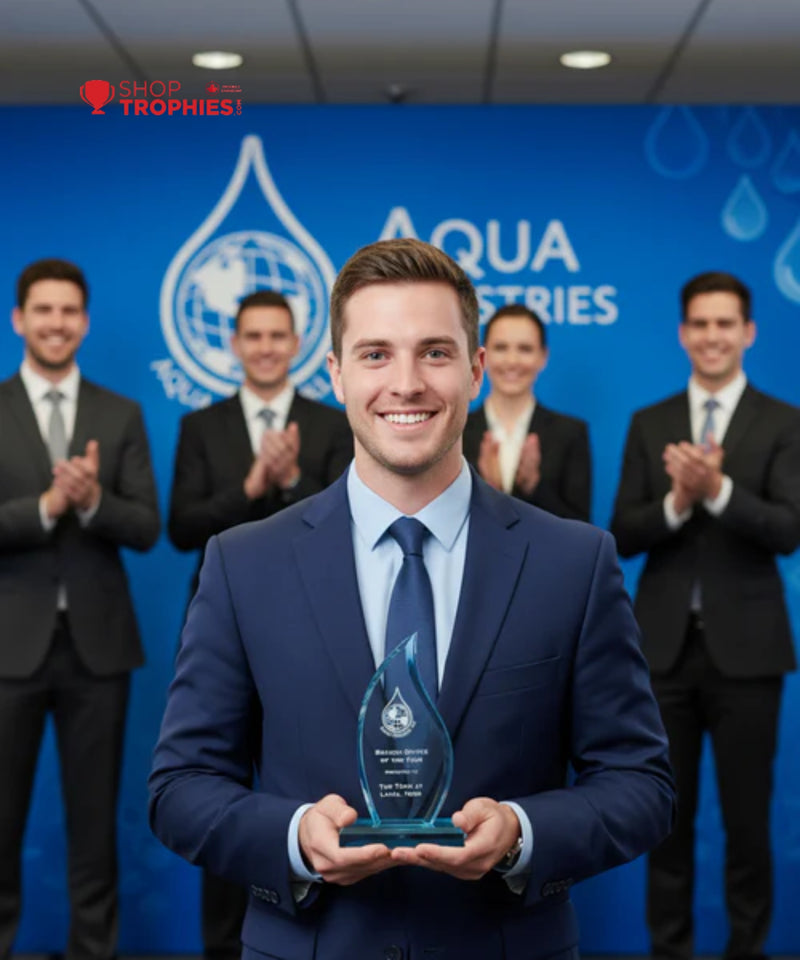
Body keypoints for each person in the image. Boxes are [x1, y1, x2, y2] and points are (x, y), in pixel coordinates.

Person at [150, 238, 674, 960]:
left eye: (434, 352)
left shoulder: (574, 563)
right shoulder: (244, 563)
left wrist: (522, 832)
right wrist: (295, 836)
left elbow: (640, 786)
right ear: (334, 373)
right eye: (374, 354)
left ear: (476, 369)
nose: (406, 383)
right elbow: (180, 787)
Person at [610, 271, 800, 960]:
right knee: (668, 821)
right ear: (683, 333)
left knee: (748, 824)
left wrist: (716, 489)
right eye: (700, 323)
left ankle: (747, 950)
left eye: (726, 324)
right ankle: (671, 951)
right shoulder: (649, 422)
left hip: (750, 655)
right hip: (660, 656)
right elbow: (623, 533)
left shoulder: (784, 422)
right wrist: (677, 502)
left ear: (747, 332)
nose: (713, 336)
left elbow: (787, 529)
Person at [167, 288, 352, 959]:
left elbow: (345, 527)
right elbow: (180, 526)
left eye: (280, 335)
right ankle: (225, 946)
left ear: (298, 342)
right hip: (222, 636)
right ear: (235, 344)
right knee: (221, 794)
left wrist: (296, 476)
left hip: (316, 637)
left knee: (301, 793)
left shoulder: (332, 425)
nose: (268, 347)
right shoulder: (201, 425)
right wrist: (250, 486)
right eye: (255, 336)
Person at [0, 258, 160, 959]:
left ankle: (93, 952)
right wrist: (46, 507)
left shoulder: (118, 413)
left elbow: (147, 526)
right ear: (19, 320)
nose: (57, 323)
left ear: (85, 322)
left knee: (94, 829)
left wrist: (92, 502)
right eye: (44, 310)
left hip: (98, 651)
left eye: (69, 311)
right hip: (8, 649)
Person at [463, 304, 591, 521]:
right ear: (481, 357)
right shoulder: (458, 430)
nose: (512, 361)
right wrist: (488, 489)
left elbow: (580, 528)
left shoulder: (570, 432)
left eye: (525, 349)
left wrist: (534, 486)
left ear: (543, 357)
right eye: (501, 347)